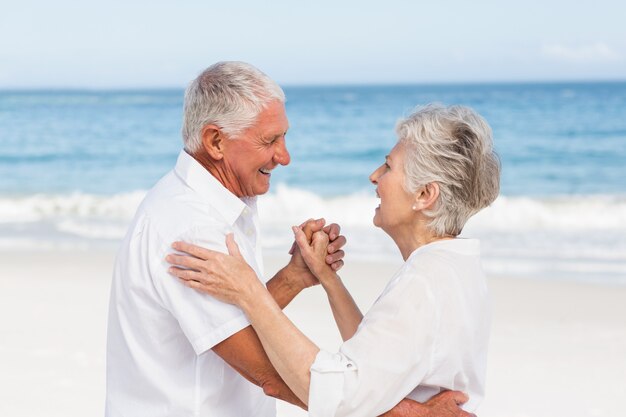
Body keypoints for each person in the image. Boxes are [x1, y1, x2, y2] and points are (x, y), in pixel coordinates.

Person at [106, 62, 474, 417]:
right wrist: (406, 415)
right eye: (270, 141)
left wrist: (294, 277)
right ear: (216, 141)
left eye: (284, 136)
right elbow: (266, 371)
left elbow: (233, 323)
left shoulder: (220, 202)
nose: (285, 156)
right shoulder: (190, 227)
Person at [166, 103, 501, 416]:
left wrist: (248, 291)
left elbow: (337, 394)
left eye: (388, 166)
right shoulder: (453, 267)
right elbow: (377, 359)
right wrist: (328, 279)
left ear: (425, 195)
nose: (374, 175)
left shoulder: (423, 283)